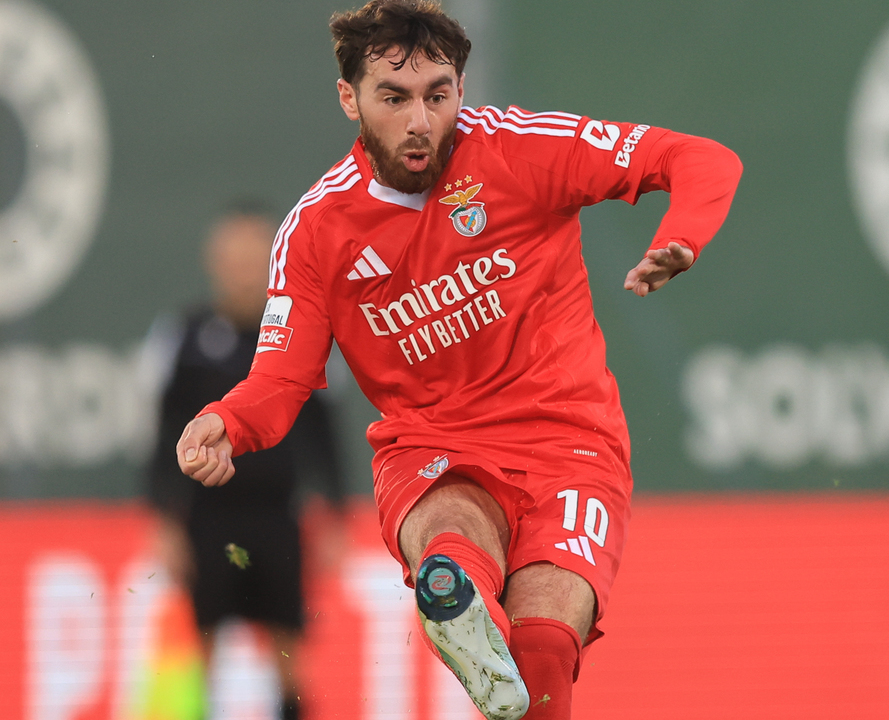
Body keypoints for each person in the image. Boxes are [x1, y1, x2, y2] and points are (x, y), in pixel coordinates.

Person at [173, 1, 743, 718]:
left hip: (573, 444)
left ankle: (475, 622)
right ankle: (453, 596)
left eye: (438, 95)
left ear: (461, 90)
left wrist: (684, 236)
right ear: (349, 98)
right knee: (451, 545)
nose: (421, 120)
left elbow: (698, 158)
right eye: (395, 97)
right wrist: (231, 421)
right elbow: (283, 378)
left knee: (542, 653)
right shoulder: (318, 230)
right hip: (432, 447)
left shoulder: (520, 148)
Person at [146, 203, 347, 720]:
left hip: (277, 517)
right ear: (214, 261)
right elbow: (162, 433)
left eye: (253, 257)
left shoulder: (298, 334)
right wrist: (162, 523)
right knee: (202, 646)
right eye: (232, 257)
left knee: (287, 648)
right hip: (208, 518)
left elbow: (324, 431)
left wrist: (336, 516)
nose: (242, 269)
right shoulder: (184, 338)